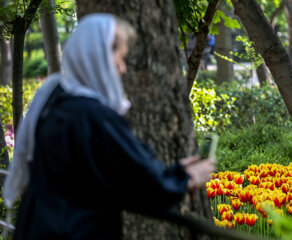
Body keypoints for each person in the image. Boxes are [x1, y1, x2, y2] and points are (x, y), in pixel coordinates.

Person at [3, 14, 216, 240]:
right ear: (100, 56)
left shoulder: (54, 102)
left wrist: (173, 174)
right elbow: (140, 178)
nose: (122, 69)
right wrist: (185, 178)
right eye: (120, 57)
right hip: (71, 231)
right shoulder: (92, 115)